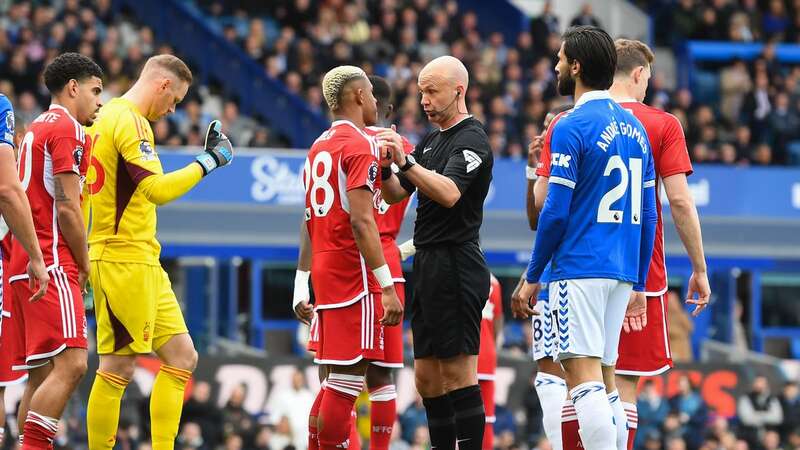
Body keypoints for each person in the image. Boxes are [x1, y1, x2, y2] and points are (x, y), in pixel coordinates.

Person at [512, 26, 657, 450]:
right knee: (607, 378)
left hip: (579, 266)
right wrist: (641, 282)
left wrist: (533, 274)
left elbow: (553, 210)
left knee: (583, 378)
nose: (556, 65)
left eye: (560, 58)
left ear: (575, 66)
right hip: (621, 270)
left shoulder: (570, 125)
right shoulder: (634, 128)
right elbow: (649, 213)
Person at [84, 54, 234, 449]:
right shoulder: (132, 122)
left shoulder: (105, 115)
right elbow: (158, 190)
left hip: (141, 259)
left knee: (183, 356)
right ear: (163, 84)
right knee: (117, 366)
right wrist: (210, 160)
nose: (173, 110)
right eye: (176, 100)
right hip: (121, 258)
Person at [378, 55, 494, 450]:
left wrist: (406, 161)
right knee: (426, 379)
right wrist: (385, 165)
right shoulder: (432, 139)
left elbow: (448, 193)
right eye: (421, 91)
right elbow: (396, 192)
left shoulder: (472, 138)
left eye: (432, 91)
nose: (423, 99)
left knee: (459, 374)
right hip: (427, 262)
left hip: (456, 263)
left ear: (458, 91)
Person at [294, 75, 413, 450]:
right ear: (362, 96)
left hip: (327, 271)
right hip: (361, 269)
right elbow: (364, 221)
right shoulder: (362, 145)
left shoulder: (318, 146)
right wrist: (388, 286)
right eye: (372, 95)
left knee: (332, 379)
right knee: (356, 381)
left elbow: (310, 217)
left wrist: (302, 281)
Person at [607, 39, 710, 450]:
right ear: (637, 74)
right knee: (625, 385)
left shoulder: (575, 118)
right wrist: (699, 268)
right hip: (638, 270)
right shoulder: (661, 123)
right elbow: (681, 201)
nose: (648, 85)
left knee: (582, 385)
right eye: (647, 77)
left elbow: (546, 204)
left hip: (580, 267)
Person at [6, 52, 102, 450]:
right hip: (50, 257)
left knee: (41, 373)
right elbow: (67, 206)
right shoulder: (68, 129)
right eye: (96, 91)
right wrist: (83, 264)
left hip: (21, 261)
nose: (100, 101)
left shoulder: (33, 129)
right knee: (74, 363)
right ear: (73, 88)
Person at [511, 104, 572, 450]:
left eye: (553, 126)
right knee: (550, 372)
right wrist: (534, 169)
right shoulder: (551, 162)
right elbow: (536, 220)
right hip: (554, 271)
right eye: (545, 126)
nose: (546, 132)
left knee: (563, 373)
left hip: (562, 273)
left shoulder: (572, 157)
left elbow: (552, 219)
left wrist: (534, 271)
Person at [478, 274, 503, 450]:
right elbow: (498, 322)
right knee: (486, 418)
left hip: (460, 353)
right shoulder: (493, 281)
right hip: (487, 354)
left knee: (454, 414)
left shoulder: (453, 270)